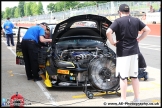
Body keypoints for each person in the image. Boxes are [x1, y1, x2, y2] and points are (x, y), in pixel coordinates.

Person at [106, 4, 151, 103]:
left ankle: (123, 100)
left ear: (119, 12)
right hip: (134, 52)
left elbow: (108, 32)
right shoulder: (136, 20)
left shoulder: (118, 21)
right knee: (135, 77)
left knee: (123, 77)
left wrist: (112, 42)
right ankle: (137, 99)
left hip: (123, 52)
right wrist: (139, 39)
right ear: (129, 12)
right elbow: (147, 30)